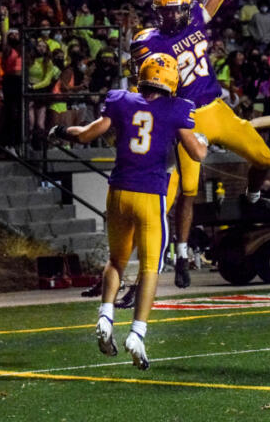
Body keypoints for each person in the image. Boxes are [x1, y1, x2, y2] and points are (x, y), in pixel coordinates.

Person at [131, 0, 270, 290]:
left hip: (217, 109)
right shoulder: (147, 43)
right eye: (164, 13)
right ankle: (181, 255)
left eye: (175, 11)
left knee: (263, 158)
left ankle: (254, 196)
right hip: (187, 116)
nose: (170, 18)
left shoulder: (196, 17)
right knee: (188, 190)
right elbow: (149, 86)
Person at [49, 53, 208, 370]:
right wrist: (199, 138)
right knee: (150, 266)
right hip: (150, 196)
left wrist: (59, 132)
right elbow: (198, 152)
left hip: (118, 191)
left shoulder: (121, 100)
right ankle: (137, 332)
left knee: (116, 260)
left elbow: (85, 134)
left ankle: (106, 315)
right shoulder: (177, 109)